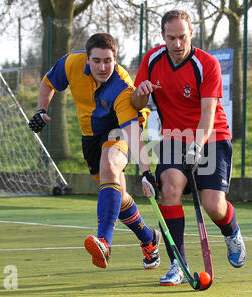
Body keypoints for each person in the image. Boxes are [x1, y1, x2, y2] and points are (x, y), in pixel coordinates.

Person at [131, 10, 247, 286]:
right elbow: (136, 105)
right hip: (173, 136)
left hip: (212, 136)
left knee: (213, 206)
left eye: (182, 37)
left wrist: (197, 145)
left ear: (191, 34)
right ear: (163, 37)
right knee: (169, 189)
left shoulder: (206, 64)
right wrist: (142, 93)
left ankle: (231, 231)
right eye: (171, 38)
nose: (178, 44)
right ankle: (177, 264)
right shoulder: (151, 60)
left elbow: (208, 113)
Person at [28, 33, 161, 270]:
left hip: (116, 131)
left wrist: (145, 171)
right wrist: (40, 110)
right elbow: (48, 83)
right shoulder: (71, 64)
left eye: (107, 61)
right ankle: (149, 239)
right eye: (96, 60)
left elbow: (131, 130)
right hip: (90, 135)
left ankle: (104, 243)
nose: (102, 67)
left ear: (115, 59)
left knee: (109, 165)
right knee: (116, 197)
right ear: (87, 59)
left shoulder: (121, 86)